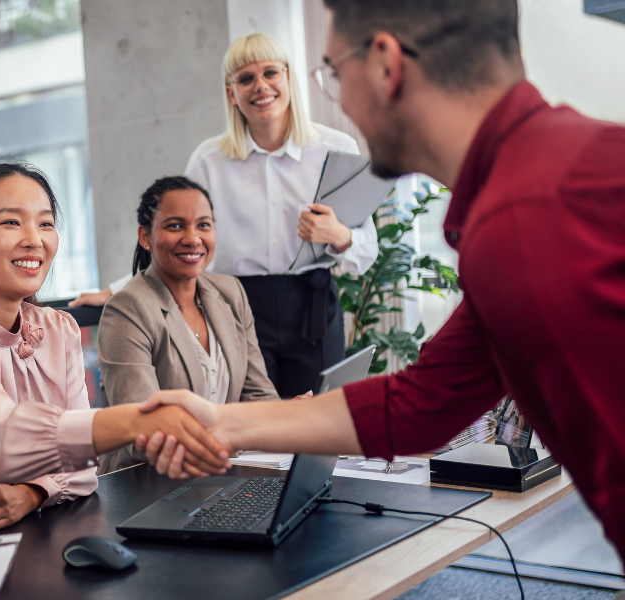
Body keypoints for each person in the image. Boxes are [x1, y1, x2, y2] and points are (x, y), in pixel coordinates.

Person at [133, 0, 625, 561]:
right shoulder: (542, 186)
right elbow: (420, 404)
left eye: (334, 73)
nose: (336, 98)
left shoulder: (525, 215)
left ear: (387, 65)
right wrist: (220, 421)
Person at [0, 163, 229, 529]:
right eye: (11, 222)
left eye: (45, 223)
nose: (34, 239)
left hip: (21, 520)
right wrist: (136, 421)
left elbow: (86, 467)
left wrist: (33, 492)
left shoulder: (59, 329)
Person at [73, 33, 377, 400]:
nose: (260, 86)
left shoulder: (336, 149)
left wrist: (339, 234)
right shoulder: (209, 160)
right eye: (246, 79)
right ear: (231, 92)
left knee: (319, 418)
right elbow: (178, 238)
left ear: (288, 78)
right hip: (240, 307)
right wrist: (116, 290)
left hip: (312, 307)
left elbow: (367, 252)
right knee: (253, 421)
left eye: (270, 73)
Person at [96, 176, 288, 474]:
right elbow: (146, 435)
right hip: (147, 486)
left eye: (203, 225)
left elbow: (258, 396)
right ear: (145, 237)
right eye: (175, 225)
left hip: (218, 476)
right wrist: (240, 434)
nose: (193, 238)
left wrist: (289, 416)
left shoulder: (230, 293)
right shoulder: (128, 309)